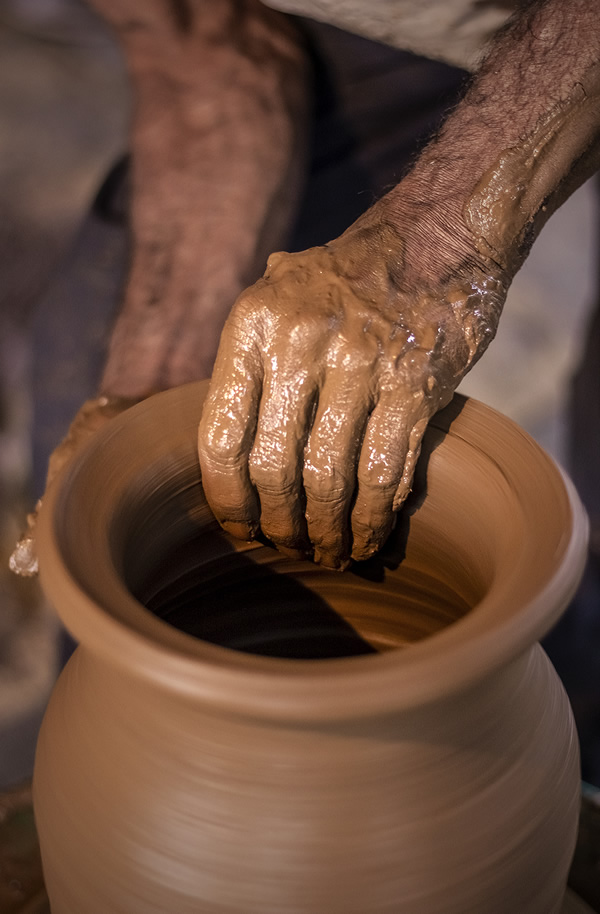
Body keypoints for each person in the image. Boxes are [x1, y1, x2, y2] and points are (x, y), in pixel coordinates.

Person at [11, 0, 600, 575]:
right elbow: (212, 60)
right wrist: (158, 375)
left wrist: (436, 252)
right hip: (377, 32)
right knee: (99, 463)